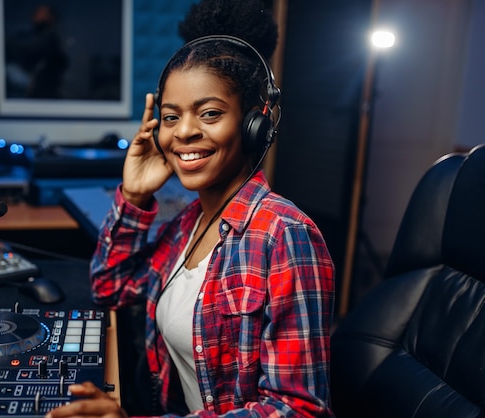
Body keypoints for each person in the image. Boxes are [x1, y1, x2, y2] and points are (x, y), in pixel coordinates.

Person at [46, 0, 335, 416]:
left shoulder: (286, 236)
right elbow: (108, 289)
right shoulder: (188, 223)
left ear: (257, 123)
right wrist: (134, 196)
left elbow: (299, 410)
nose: (184, 132)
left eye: (210, 113)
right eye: (170, 116)